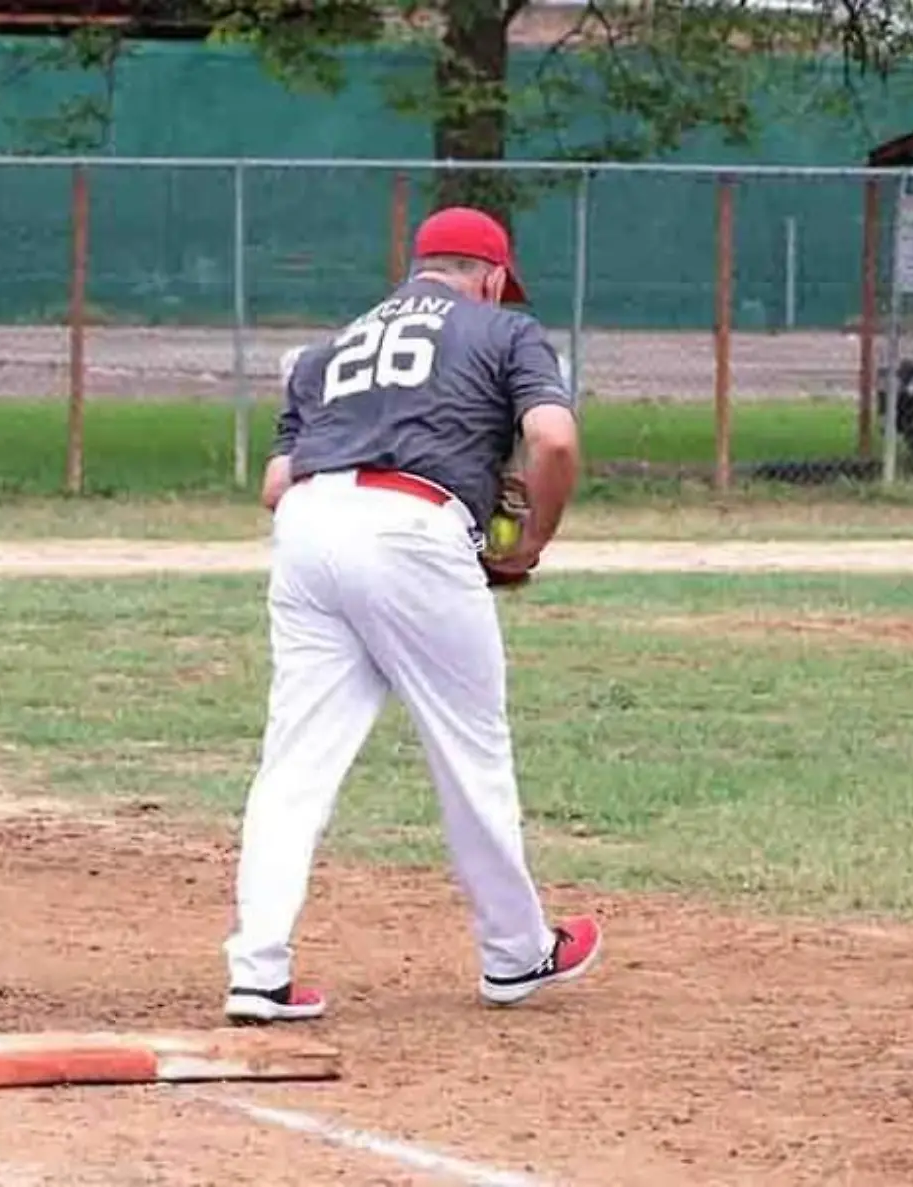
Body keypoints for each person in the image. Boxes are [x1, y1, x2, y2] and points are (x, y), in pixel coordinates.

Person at [220, 206, 601, 1023]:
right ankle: (514, 952)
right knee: (471, 748)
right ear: (492, 277)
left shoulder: (332, 347)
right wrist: (529, 539)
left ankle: (257, 968)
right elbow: (555, 441)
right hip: (413, 524)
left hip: (309, 524)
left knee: (294, 761)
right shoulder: (505, 331)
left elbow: (275, 484)